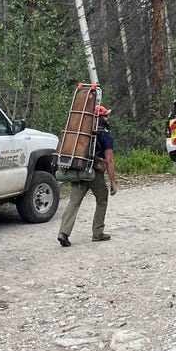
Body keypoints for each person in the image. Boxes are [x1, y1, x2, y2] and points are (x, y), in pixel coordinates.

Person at [58, 105, 117, 247]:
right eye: (105, 116)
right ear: (99, 118)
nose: (107, 118)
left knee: (74, 202)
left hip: (78, 171)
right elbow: (109, 161)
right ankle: (98, 232)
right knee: (102, 198)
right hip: (94, 173)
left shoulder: (80, 133)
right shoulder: (105, 135)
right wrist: (113, 182)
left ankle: (63, 233)